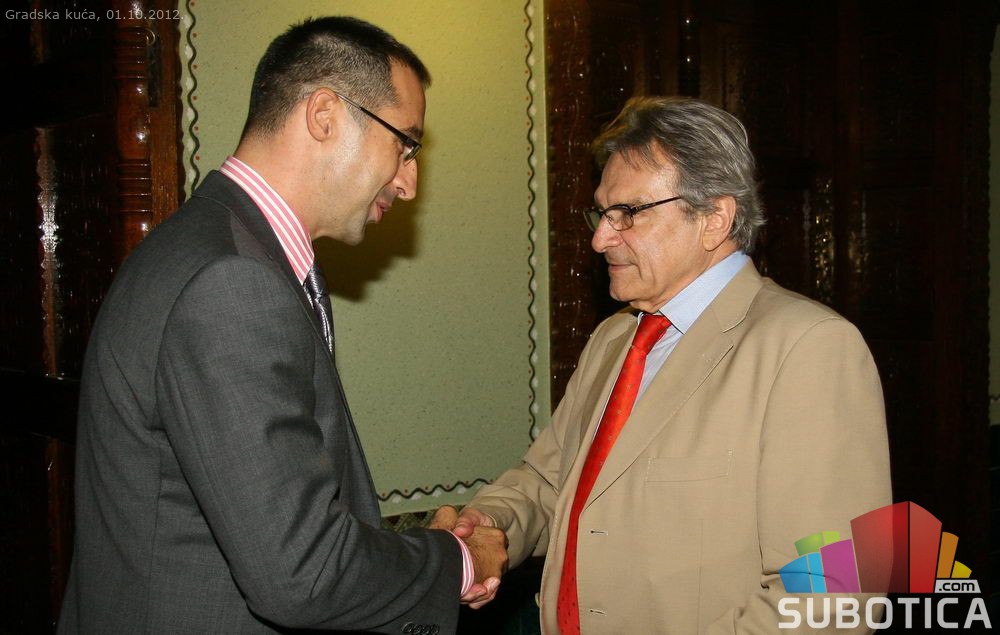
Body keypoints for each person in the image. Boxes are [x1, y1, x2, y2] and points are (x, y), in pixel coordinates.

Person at [58, 16, 506, 634]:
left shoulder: (218, 248)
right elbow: (301, 573)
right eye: (405, 144)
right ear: (324, 115)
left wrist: (400, 556)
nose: (409, 183)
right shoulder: (231, 282)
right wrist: (457, 561)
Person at [442, 97, 891, 633]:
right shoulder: (614, 338)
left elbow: (832, 596)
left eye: (628, 214)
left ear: (714, 219)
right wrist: (488, 524)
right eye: (602, 213)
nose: (600, 238)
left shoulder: (808, 348)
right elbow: (550, 480)